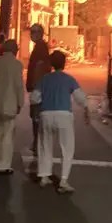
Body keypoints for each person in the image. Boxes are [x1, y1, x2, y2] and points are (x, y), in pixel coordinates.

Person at [31, 50, 89, 193]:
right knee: (67, 148)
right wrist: (87, 110)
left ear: (51, 64)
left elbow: (34, 98)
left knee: (45, 146)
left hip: (46, 114)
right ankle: (63, 180)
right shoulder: (69, 79)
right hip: (64, 115)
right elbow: (80, 98)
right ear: (64, 63)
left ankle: (44, 176)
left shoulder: (44, 79)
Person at [0, 39, 25, 174]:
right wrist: (21, 102)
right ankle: (3, 165)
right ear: (15, 50)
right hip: (9, 104)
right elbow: (19, 85)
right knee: (7, 135)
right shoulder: (17, 65)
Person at [26, 23, 51, 154]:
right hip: (38, 88)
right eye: (31, 31)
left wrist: (36, 88)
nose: (32, 34)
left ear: (41, 33)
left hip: (38, 88)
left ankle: (38, 143)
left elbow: (40, 67)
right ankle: (37, 142)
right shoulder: (40, 47)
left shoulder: (41, 48)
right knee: (36, 116)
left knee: (37, 117)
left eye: (35, 32)